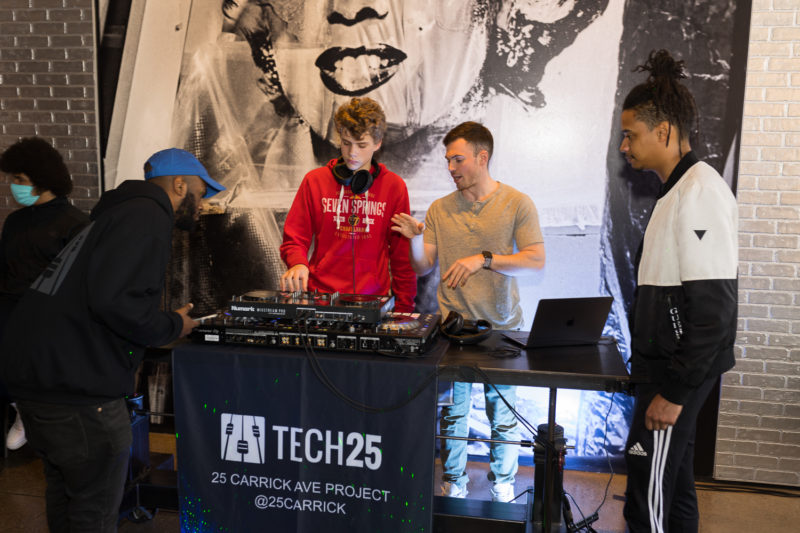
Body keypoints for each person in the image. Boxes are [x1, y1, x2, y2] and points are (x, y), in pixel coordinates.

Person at [0, 148, 224, 532]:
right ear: (180, 184)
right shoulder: (148, 215)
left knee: (66, 497)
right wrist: (173, 325)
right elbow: (116, 301)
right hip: (80, 398)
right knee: (94, 509)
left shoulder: (115, 214)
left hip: (38, 385)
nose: (202, 206)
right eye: (201, 194)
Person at [391, 121, 545, 502]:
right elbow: (423, 265)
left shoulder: (516, 202)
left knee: (504, 416)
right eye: (448, 160)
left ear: (482, 157)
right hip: (453, 330)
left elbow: (535, 261)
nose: (451, 167)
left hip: (503, 330)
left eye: (458, 159)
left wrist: (486, 259)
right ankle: (454, 483)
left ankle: (503, 486)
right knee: (454, 415)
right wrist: (413, 239)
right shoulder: (441, 209)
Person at [618, 50, 738, 532]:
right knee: (675, 487)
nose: (624, 147)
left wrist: (673, 391)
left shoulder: (700, 191)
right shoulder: (677, 191)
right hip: (665, 370)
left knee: (647, 502)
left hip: (673, 376)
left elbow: (713, 313)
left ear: (663, 131)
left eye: (631, 135)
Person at [280, 97, 416, 311]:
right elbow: (294, 238)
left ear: (377, 143)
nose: (352, 153)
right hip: (321, 300)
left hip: (373, 303)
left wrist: (403, 310)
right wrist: (297, 262)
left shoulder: (393, 187)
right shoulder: (315, 181)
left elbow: (401, 258)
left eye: (362, 145)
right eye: (346, 143)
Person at [0, 137, 90, 451]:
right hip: (9, 312)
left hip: (48, 320)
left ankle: (35, 417)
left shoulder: (76, 224)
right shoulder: (15, 221)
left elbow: (78, 284)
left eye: (20, 180)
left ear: (41, 179)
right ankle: (21, 410)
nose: (14, 186)